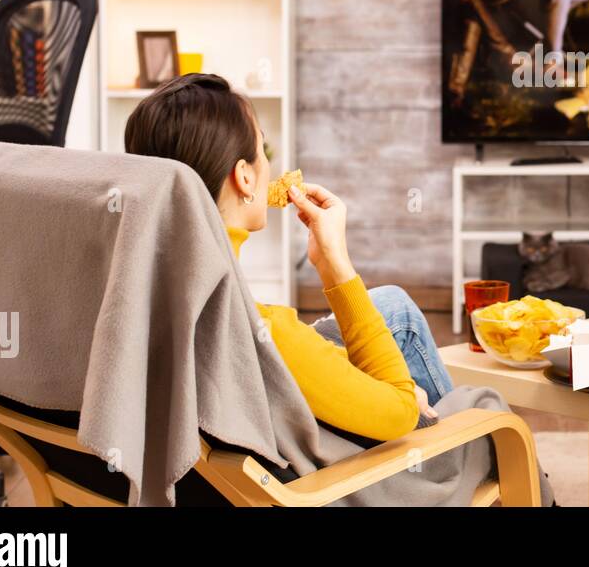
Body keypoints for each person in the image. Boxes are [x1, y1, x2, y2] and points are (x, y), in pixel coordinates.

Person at [124, 73, 453, 443]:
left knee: (394, 306)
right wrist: (334, 264)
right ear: (245, 178)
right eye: (262, 150)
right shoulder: (268, 331)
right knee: (481, 408)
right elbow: (399, 410)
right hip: (318, 484)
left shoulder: (134, 285)